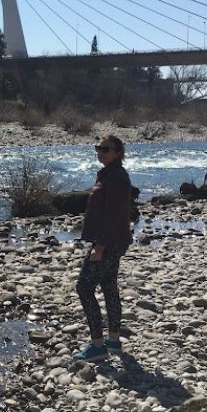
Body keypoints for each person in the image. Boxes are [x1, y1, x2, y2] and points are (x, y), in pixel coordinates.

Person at [72, 135, 133, 362]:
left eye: (106, 149)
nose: (101, 152)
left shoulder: (116, 177)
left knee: (84, 288)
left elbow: (114, 215)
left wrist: (100, 246)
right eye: (98, 148)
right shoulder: (110, 173)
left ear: (118, 152)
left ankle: (97, 346)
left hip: (109, 242)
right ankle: (113, 340)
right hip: (113, 241)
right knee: (108, 286)